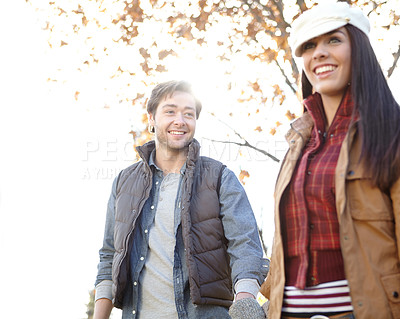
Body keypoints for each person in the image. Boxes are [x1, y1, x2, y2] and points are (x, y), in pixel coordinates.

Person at [259, 2, 400, 319]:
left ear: (358, 49)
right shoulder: (298, 141)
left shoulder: (392, 132)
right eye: (309, 46)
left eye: (333, 40)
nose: (318, 53)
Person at [93, 80, 267, 319]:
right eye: (170, 111)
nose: (180, 121)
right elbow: (109, 256)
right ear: (152, 118)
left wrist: (245, 304)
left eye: (189, 114)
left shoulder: (219, 177)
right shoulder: (124, 182)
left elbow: (245, 246)